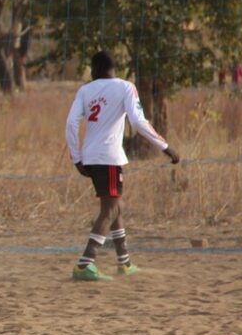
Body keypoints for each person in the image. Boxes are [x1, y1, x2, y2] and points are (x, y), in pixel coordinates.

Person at [65, 50, 180, 281]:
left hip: (91, 157)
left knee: (116, 205)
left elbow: (71, 122)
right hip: (109, 157)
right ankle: (85, 263)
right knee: (110, 209)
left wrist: (77, 158)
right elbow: (137, 121)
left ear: (96, 69)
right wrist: (165, 147)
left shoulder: (85, 90)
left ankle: (124, 262)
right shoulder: (126, 87)